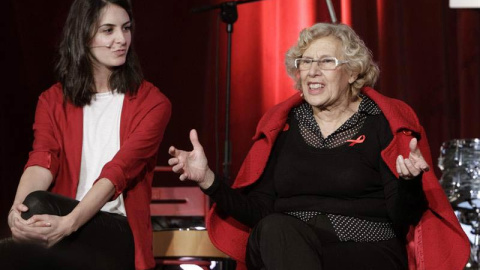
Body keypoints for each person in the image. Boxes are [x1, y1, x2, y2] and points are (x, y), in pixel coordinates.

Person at [168, 22, 469, 270]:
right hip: (288, 244)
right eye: (306, 62)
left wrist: (409, 183)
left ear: (353, 73)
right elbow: (259, 210)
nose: (312, 71)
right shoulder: (284, 125)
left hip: (363, 250)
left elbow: (403, 218)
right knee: (274, 229)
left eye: (326, 62)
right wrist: (209, 180)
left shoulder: (379, 123)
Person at [5, 0, 171, 269]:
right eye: (108, 30)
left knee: (35, 216)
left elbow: (118, 172)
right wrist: (16, 212)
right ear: (83, 35)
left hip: (117, 231)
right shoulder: (52, 100)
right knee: (28, 213)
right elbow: (42, 160)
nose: (121, 39)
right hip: (62, 221)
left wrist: (69, 224)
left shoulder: (152, 102)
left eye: (126, 28)